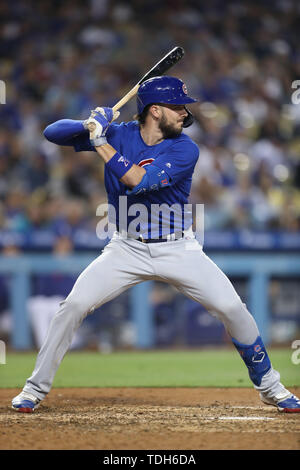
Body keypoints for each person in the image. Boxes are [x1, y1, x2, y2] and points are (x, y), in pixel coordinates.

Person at [12, 76, 299, 413]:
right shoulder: (119, 135)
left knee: (233, 309)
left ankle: (270, 386)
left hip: (178, 248)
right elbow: (52, 133)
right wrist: (90, 122)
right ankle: (34, 388)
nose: (184, 113)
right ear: (155, 111)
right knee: (72, 307)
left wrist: (100, 140)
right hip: (125, 248)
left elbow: (138, 181)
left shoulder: (184, 148)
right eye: (177, 107)